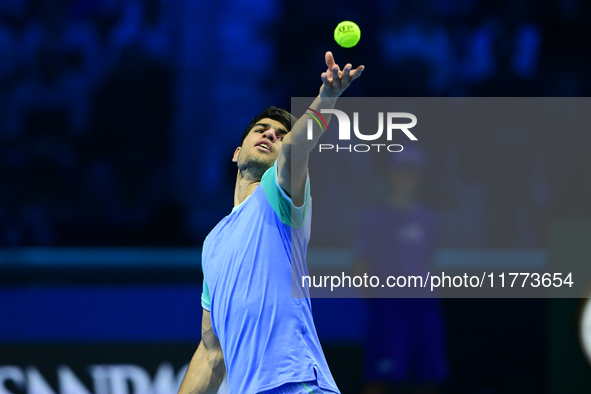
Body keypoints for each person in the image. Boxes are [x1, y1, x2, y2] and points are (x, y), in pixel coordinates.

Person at [177, 51, 364, 394]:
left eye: (280, 135)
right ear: (237, 153)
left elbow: (296, 151)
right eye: (261, 130)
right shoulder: (212, 243)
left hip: (298, 384)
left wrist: (326, 98)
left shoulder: (277, 197)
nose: (270, 136)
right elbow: (211, 353)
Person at [355, 146, 449, 394]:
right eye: (402, 171)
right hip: (390, 306)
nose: (407, 177)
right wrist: (378, 301)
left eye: (413, 172)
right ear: (391, 174)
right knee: (381, 375)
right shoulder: (375, 219)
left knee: (430, 375)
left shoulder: (429, 219)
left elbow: (429, 261)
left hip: (424, 305)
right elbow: (362, 266)